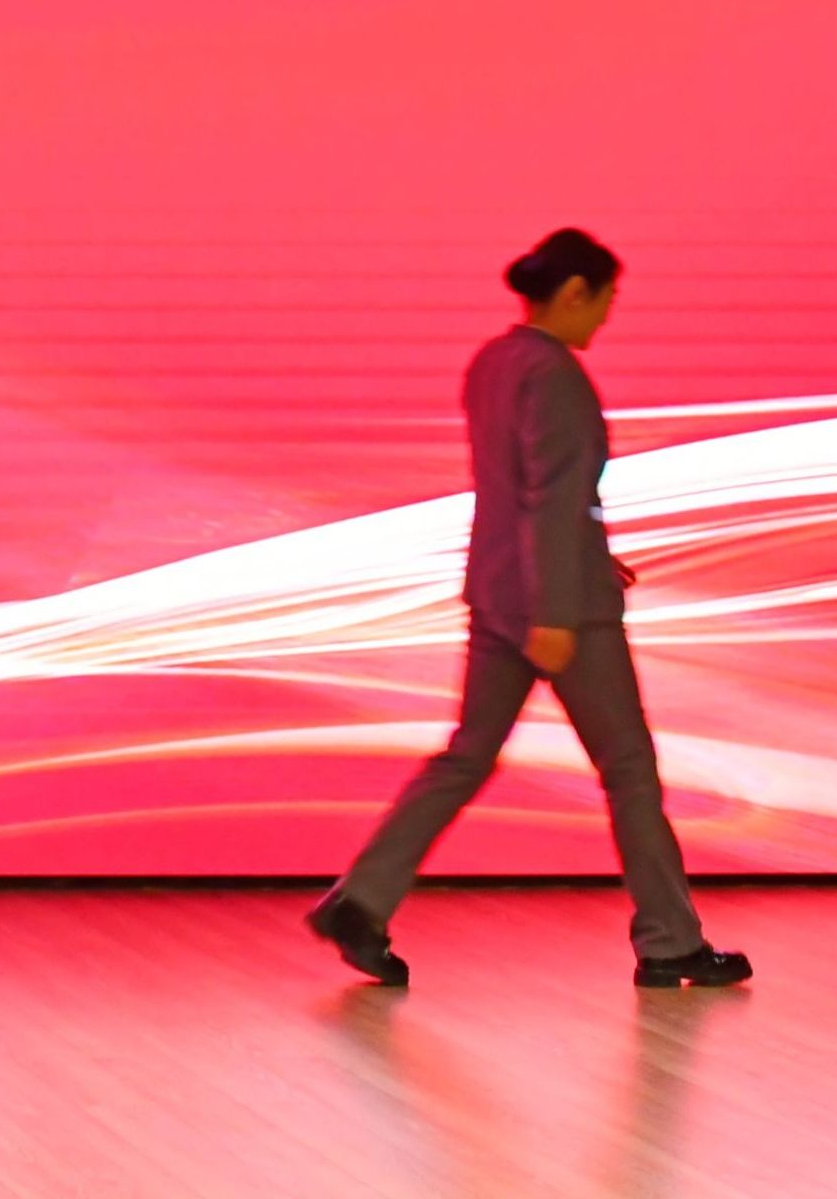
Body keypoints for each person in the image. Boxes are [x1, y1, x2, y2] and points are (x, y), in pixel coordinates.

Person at [306, 228, 750, 990]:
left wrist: (583, 557)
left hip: (497, 590)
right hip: (563, 612)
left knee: (465, 756)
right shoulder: (558, 375)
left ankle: (361, 901)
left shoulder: (493, 362)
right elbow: (554, 496)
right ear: (574, 292)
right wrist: (558, 605)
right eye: (605, 299)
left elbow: (521, 492)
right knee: (629, 771)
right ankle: (670, 941)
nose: (606, 316)